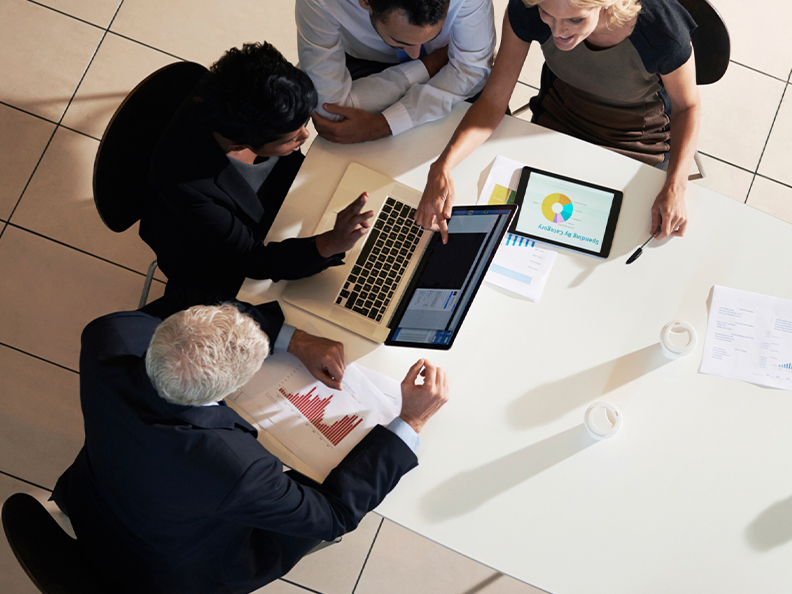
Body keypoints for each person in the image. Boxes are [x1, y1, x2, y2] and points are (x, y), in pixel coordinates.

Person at [52, 292, 449, 594]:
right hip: (165, 572)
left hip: (94, 500)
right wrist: (411, 420)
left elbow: (191, 301)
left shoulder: (110, 336)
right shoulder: (235, 467)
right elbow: (333, 517)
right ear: (234, 388)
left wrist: (296, 340)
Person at [417, 0, 701, 243]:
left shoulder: (661, 31)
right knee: (529, 227)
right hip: (560, 116)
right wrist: (443, 165)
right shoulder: (529, 8)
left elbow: (688, 107)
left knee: (625, 234)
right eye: (547, 14)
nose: (558, 31)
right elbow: (493, 100)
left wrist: (676, 186)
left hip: (639, 136)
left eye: (575, 19)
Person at [142, 42, 373, 299]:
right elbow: (251, 259)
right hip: (216, 257)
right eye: (291, 138)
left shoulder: (253, 94)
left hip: (278, 205)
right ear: (241, 145)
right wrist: (331, 244)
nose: (305, 135)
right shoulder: (185, 180)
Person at [297, 0, 496, 144]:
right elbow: (332, 110)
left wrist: (383, 124)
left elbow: (473, 72)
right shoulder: (319, 2)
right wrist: (434, 63)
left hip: (446, 60)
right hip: (370, 61)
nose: (415, 53)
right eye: (401, 42)